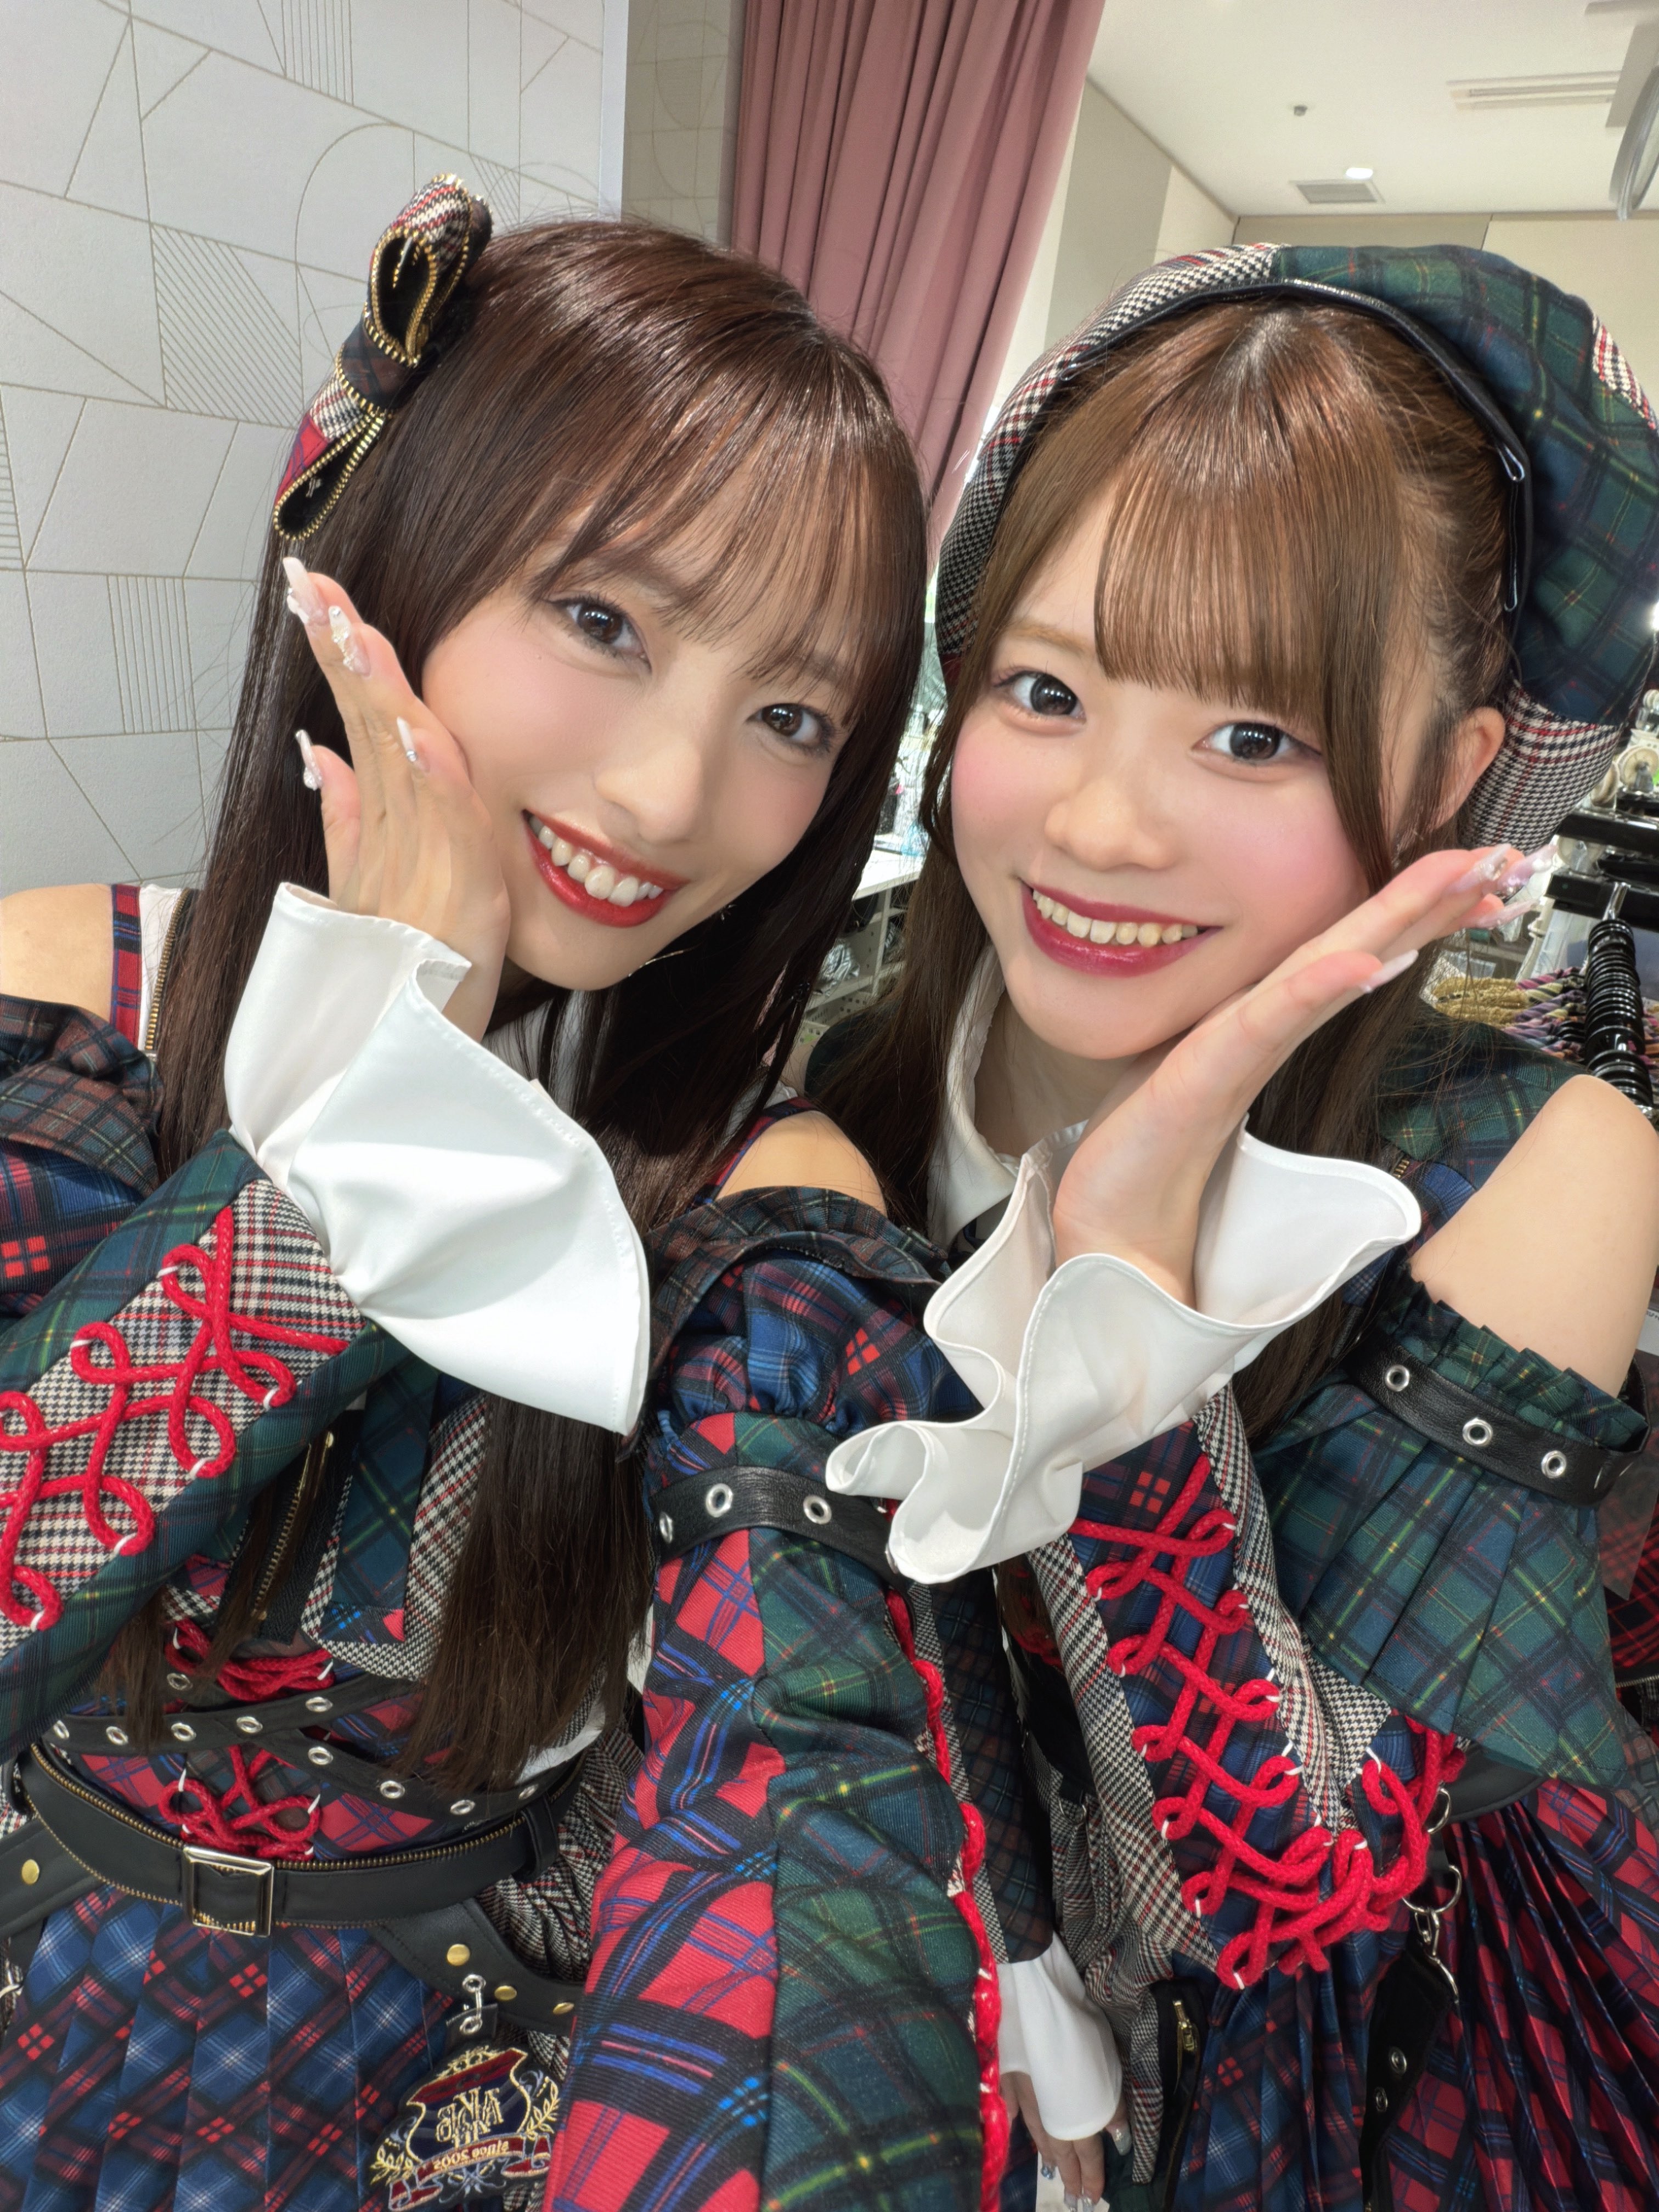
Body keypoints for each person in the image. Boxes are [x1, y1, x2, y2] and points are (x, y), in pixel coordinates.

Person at [564, 245, 1659, 2212]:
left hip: (1296, 2086)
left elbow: (1280, 1892)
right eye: (1049, 691)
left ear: (1453, 771)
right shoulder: (824, 1068)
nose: (1098, 828)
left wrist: (1130, 1326)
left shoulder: (1539, 1162)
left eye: (1256, 738)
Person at [0, 177, 926, 2211]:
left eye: (789, 717)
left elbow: (807, 1808)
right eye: (605, 621)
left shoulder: (759, 1199)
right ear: (396, 552)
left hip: (453, 2092)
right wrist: (359, 1125)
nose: (673, 796)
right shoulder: (70, 996)